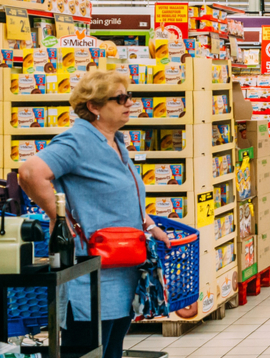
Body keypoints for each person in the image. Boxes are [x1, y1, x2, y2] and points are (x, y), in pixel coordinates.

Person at [18, 71, 172, 358]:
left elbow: (123, 197)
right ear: (94, 106)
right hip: (92, 271)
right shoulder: (78, 141)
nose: (129, 103)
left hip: (124, 264)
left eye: (129, 96)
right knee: (88, 350)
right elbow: (29, 172)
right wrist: (60, 216)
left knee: (113, 350)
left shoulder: (116, 142)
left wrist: (150, 227)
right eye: (120, 98)